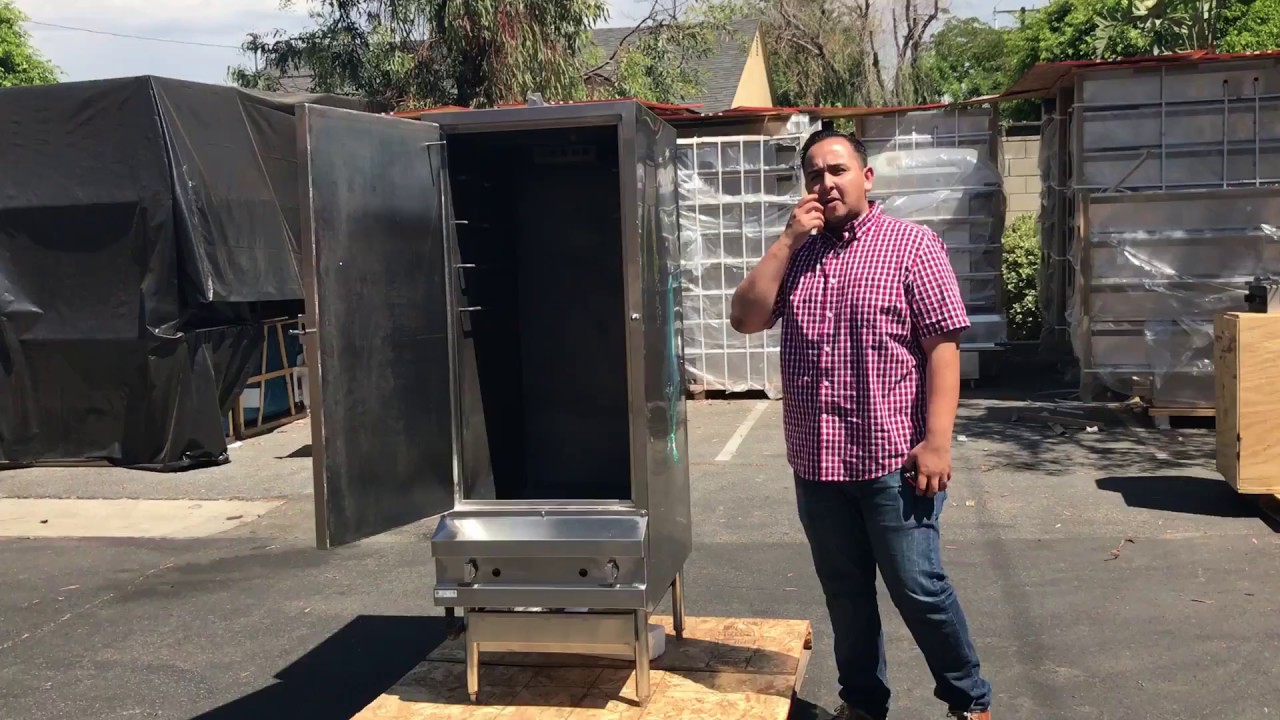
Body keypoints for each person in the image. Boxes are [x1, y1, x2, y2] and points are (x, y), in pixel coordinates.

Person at [728, 129, 993, 720]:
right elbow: (744, 318)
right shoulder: (798, 256)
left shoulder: (912, 246)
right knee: (846, 596)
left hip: (893, 462)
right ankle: (864, 704)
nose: (826, 183)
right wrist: (785, 241)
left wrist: (938, 441)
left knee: (919, 589)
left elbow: (943, 348)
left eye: (838, 170)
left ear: (865, 177)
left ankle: (969, 701)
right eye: (814, 175)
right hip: (818, 465)